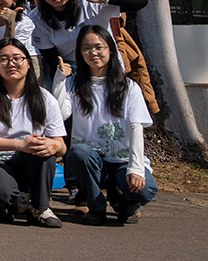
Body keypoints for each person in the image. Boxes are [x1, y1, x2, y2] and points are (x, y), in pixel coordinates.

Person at [57, 24, 158, 225]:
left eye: (98, 47)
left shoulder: (129, 87)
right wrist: (59, 80)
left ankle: (127, 207)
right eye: (86, 48)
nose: (93, 53)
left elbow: (136, 127)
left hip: (122, 161)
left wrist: (136, 168)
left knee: (146, 191)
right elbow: (61, 113)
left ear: (110, 49)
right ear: (80, 53)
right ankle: (97, 208)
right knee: (78, 153)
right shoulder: (72, 84)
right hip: (93, 161)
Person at [0, 38, 66, 227]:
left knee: (45, 150)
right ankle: (9, 202)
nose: (11, 64)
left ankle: (40, 209)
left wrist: (52, 145)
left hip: (27, 159)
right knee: (1, 194)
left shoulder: (45, 98)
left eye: (17, 58)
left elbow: (61, 146)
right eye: (3, 59)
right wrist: (20, 145)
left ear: (28, 63)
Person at [31, 0, 148, 86]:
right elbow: (53, 60)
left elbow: (141, 1)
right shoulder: (37, 19)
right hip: (72, 73)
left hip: (107, 67)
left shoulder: (91, 5)